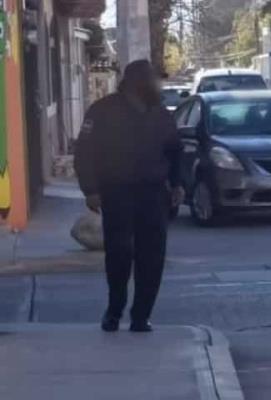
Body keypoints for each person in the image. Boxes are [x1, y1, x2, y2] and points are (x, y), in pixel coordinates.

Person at [74, 59, 184, 333]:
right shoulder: (102, 111)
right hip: (117, 193)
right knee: (120, 254)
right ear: (138, 83)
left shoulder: (160, 114)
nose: (159, 86)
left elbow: (176, 151)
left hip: (153, 195)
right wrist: (90, 190)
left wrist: (179, 184)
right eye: (154, 81)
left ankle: (141, 316)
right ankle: (114, 310)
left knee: (152, 257)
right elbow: (84, 153)